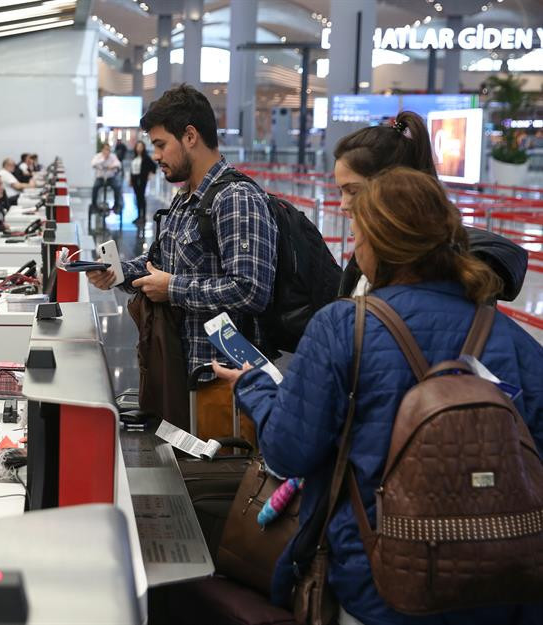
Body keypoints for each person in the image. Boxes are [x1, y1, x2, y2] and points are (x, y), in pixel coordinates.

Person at [213, 167, 543, 625]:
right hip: (503, 586)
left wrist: (254, 386)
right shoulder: (517, 342)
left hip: (379, 581)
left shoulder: (344, 327)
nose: (353, 247)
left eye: (358, 232)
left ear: (382, 244)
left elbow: (288, 451)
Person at [89, 84, 276, 441]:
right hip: (180, 374)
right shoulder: (186, 198)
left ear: (190, 136)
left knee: (217, 473)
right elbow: (158, 261)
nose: (156, 155)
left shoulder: (237, 199)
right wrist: (117, 273)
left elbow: (251, 290)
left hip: (220, 381)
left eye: (161, 144)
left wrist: (173, 288)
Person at [334, 111, 527, 299]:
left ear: (395, 186)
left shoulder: (449, 273)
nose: (343, 204)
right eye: (341, 191)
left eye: (354, 191)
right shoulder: (370, 253)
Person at [129, 140, 157, 225]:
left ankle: (143, 217)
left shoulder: (146, 158)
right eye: (138, 146)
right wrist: (130, 179)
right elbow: (132, 169)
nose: (139, 148)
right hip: (134, 179)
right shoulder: (134, 157)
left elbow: (154, 167)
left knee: (141, 197)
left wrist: (149, 174)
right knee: (137, 198)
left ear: (143, 148)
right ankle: (138, 216)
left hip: (142, 179)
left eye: (141, 147)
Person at [91, 143, 124, 214]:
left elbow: (119, 164)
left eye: (108, 149)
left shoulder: (113, 156)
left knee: (117, 187)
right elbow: (93, 163)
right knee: (95, 188)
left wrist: (112, 166)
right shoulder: (98, 156)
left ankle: (116, 205)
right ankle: (94, 206)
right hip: (100, 178)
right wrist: (103, 159)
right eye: (105, 149)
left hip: (110, 178)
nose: (107, 151)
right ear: (102, 149)